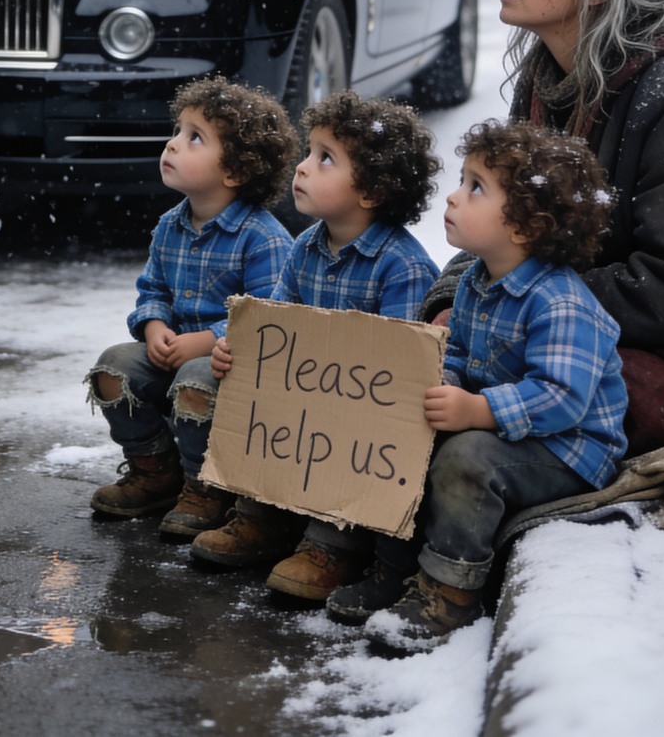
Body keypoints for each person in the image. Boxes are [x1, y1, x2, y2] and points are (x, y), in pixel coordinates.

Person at [421, 0, 664, 457]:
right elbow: (505, 223)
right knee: (417, 366)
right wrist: (448, 303)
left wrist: (521, 309)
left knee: (531, 407)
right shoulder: (548, 78)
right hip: (559, 322)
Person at [348, 120, 626, 653]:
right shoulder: (477, 282)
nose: (454, 196)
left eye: (476, 187)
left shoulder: (560, 303)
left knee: (468, 460)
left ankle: (451, 591)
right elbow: (459, 356)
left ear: (524, 226)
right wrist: (435, 383)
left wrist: (476, 409)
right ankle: (396, 566)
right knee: (408, 433)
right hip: (505, 424)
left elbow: (561, 398)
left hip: (568, 448)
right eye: (462, 180)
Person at [189, 92, 441, 601]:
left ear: (371, 190)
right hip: (306, 403)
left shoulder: (404, 267)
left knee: (345, 435)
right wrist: (238, 351)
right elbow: (276, 327)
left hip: (361, 422)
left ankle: (333, 545)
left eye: (325, 158)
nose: (303, 167)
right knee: (258, 401)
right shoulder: (305, 246)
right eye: (309, 153)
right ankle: (260, 518)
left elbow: (400, 368)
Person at [86, 77, 297, 540]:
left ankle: (209, 487)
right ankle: (156, 472)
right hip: (173, 353)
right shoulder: (170, 225)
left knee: (195, 381)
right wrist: (155, 324)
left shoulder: (263, 237)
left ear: (236, 172)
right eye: (178, 131)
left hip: (229, 369)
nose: (173, 144)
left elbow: (271, 318)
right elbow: (152, 289)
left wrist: (205, 341)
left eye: (194, 138)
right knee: (113, 367)